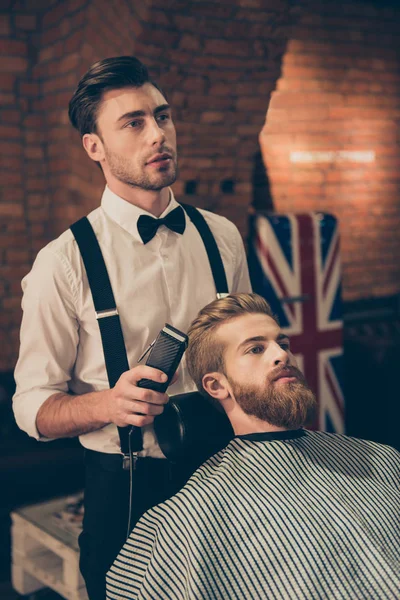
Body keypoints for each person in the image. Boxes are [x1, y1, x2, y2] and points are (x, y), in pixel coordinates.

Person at [12, 56, 251, 600]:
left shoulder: (223, 236)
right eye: (133, 123)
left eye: (162, 116)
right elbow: (31, 407)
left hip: (230, 472)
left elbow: (245, 349)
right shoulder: (63, 262)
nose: (158, 134)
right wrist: (106, 406)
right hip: (130, 484)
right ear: (93, 147)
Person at [107, 293, 400, 600]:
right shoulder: (189, 517)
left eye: (283, 344)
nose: (282, 355)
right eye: (256, 349)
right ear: (217, 385)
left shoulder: (382, 458)